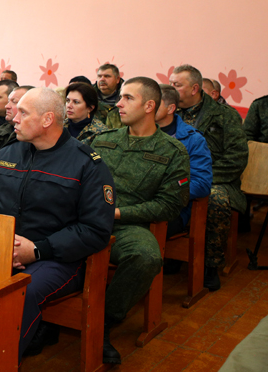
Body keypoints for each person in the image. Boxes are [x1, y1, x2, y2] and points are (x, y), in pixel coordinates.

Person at [0, 88, 115, 359]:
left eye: (23, 112)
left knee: (18, 293)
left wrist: (37, 250)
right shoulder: (9, 153)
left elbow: (96, 229)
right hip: (3, 247)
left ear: (47, 119)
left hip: (59, 259)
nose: (14, 117)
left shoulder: (87, 165)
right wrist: (4, 243)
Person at [91, 77, 190, 364]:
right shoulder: (103, 140)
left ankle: (104, 322)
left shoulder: (172, 151)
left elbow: (170, 204)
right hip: (86, 217)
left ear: (149, 106)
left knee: (146, 257)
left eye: (127, 98)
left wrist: (118, 213)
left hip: (128, 224)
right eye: (120, 98)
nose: (118, 104)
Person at [170, 64, 248, 291]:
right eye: (171, 84)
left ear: (194, 88)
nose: (172, 89)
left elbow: (237, 157)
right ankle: (172, 253)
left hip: (218, 179)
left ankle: (210, 264)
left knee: (213, 200)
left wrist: (203, 179)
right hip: (179, 176)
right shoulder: (170, 113)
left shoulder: (224, 115)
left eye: (177, 85)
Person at [154, 84, 212, 246]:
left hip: (173, 209)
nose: (148, 107)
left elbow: (201, 184)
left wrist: (166, 191)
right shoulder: (137, 132)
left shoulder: (193, 139)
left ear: (171, 108)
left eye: (155, 103)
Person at [0, 85, 33, 166]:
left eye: (14, 102)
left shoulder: (32, 137)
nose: (7, 106)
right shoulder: (2, 130)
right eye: (8, 101)